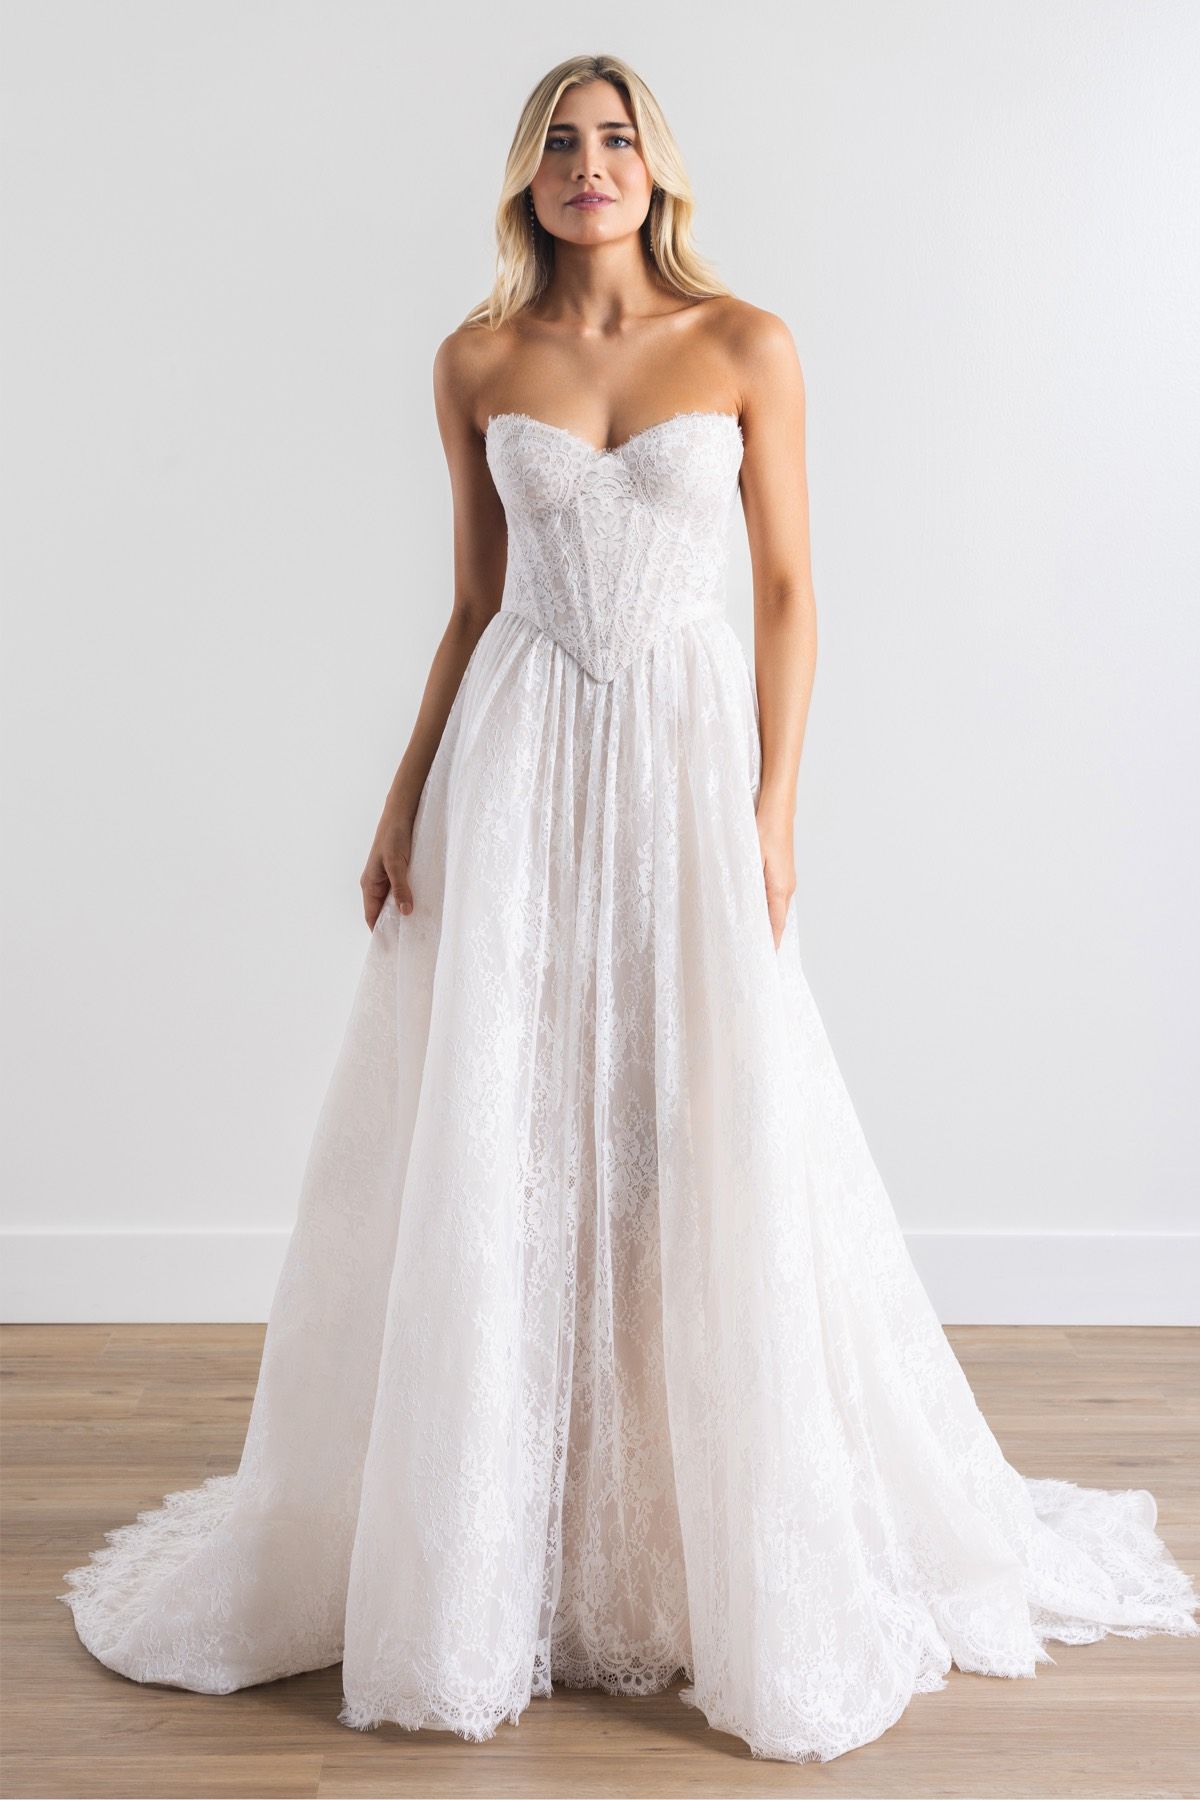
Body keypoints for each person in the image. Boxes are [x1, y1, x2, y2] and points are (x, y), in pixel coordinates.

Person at [59, 52, 1199, 1766]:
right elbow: (470, 601)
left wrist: (776, 808)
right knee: (511, 1125)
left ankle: (679, 1534)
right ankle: (492, 1541)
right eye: (561, 145)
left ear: (661, 167)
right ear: (525, 177)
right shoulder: (473, 357)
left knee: (690, 1121)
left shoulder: (744, 345)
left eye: (618, 140)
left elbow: (798, 593)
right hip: (516, 768)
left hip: (680, 762)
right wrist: (400, 795)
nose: (591, 167)